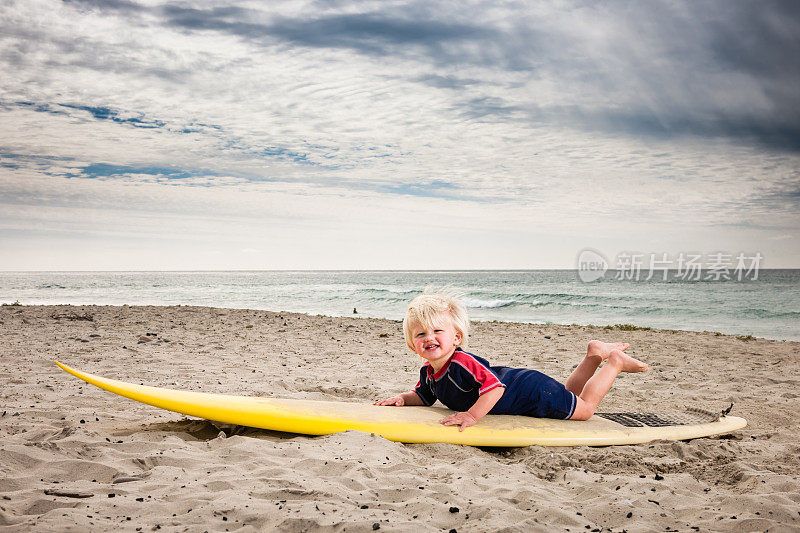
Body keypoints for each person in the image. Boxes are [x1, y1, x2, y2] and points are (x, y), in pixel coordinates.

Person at [375, 290, 648, 431]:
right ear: (413, 345)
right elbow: (423, 397)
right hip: (529, 389)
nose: (429, 338)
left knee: (585, 409)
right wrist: (402, 398)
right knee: (569, 395)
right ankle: (593, 355)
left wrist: (472, 415)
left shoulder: (461, 362)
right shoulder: (429, 371)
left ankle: (614, 362)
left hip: (530, 392)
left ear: (457, 337)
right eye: (421, 334)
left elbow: (494, 388)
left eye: (437, 331)